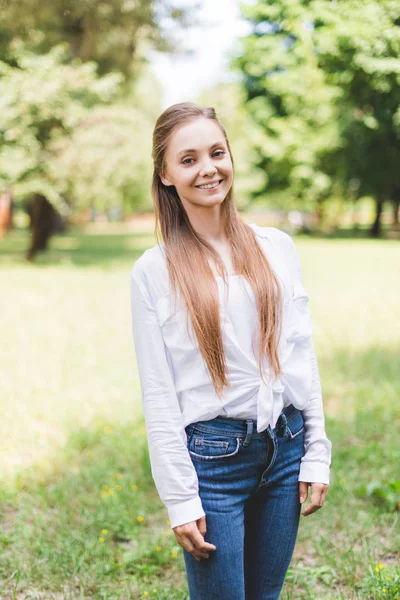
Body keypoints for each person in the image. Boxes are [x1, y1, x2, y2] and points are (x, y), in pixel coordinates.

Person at [129, 102, 332, 600]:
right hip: (213, 463)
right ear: (166, 174)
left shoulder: (276, 246)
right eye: (189, 159)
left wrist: (316, 453)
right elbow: (159, 394)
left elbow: (301, 355)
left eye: (217, 153)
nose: (208, 169)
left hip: (285, 448)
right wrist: (180, 498)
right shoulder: (153, 272)